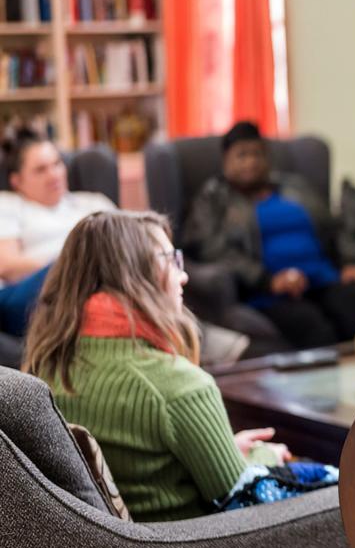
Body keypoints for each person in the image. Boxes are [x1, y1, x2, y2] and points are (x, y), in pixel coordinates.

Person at [23, 211, 296, 521]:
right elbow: (242, 499)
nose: (184, 276)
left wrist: (225, 451)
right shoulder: (178, 386)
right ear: (135, 276)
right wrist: (265, 456)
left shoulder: (45, 366)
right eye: (170, 259)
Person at [181, 121, 355, 350]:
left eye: (257, 154)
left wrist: (351, 262)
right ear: (226, 162)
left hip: (323, 278)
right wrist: (266, 280)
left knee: (354, 304)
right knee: (313, 327)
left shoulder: (296, 187)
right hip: (269, 292)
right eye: (241, 155)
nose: (251, 162)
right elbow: (210, 247)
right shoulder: (214, 199)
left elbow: (334, 227)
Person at [0, 132, 114, 335]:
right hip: (28, 292)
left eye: (57, 164)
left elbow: (131, 241)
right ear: (17, 181)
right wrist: (71, 265)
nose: (54, 175)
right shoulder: (8, 205)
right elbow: (7, 265)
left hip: (88, 283)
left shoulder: (94, 202)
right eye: (40, 170)